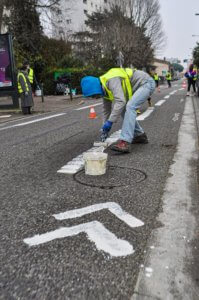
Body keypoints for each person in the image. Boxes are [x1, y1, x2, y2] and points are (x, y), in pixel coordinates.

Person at [81, 67, 155, 153]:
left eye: (94, 95)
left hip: (146, 83)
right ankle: (139, 135)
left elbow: (121, 101)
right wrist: (105, 127)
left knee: (130, 107)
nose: (94, 98)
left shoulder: (111, 80)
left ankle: (125, 142)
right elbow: (106, 110)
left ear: (95, 88)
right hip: (139, 86)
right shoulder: (104, 88)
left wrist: (110, 122)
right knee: (123, 109)